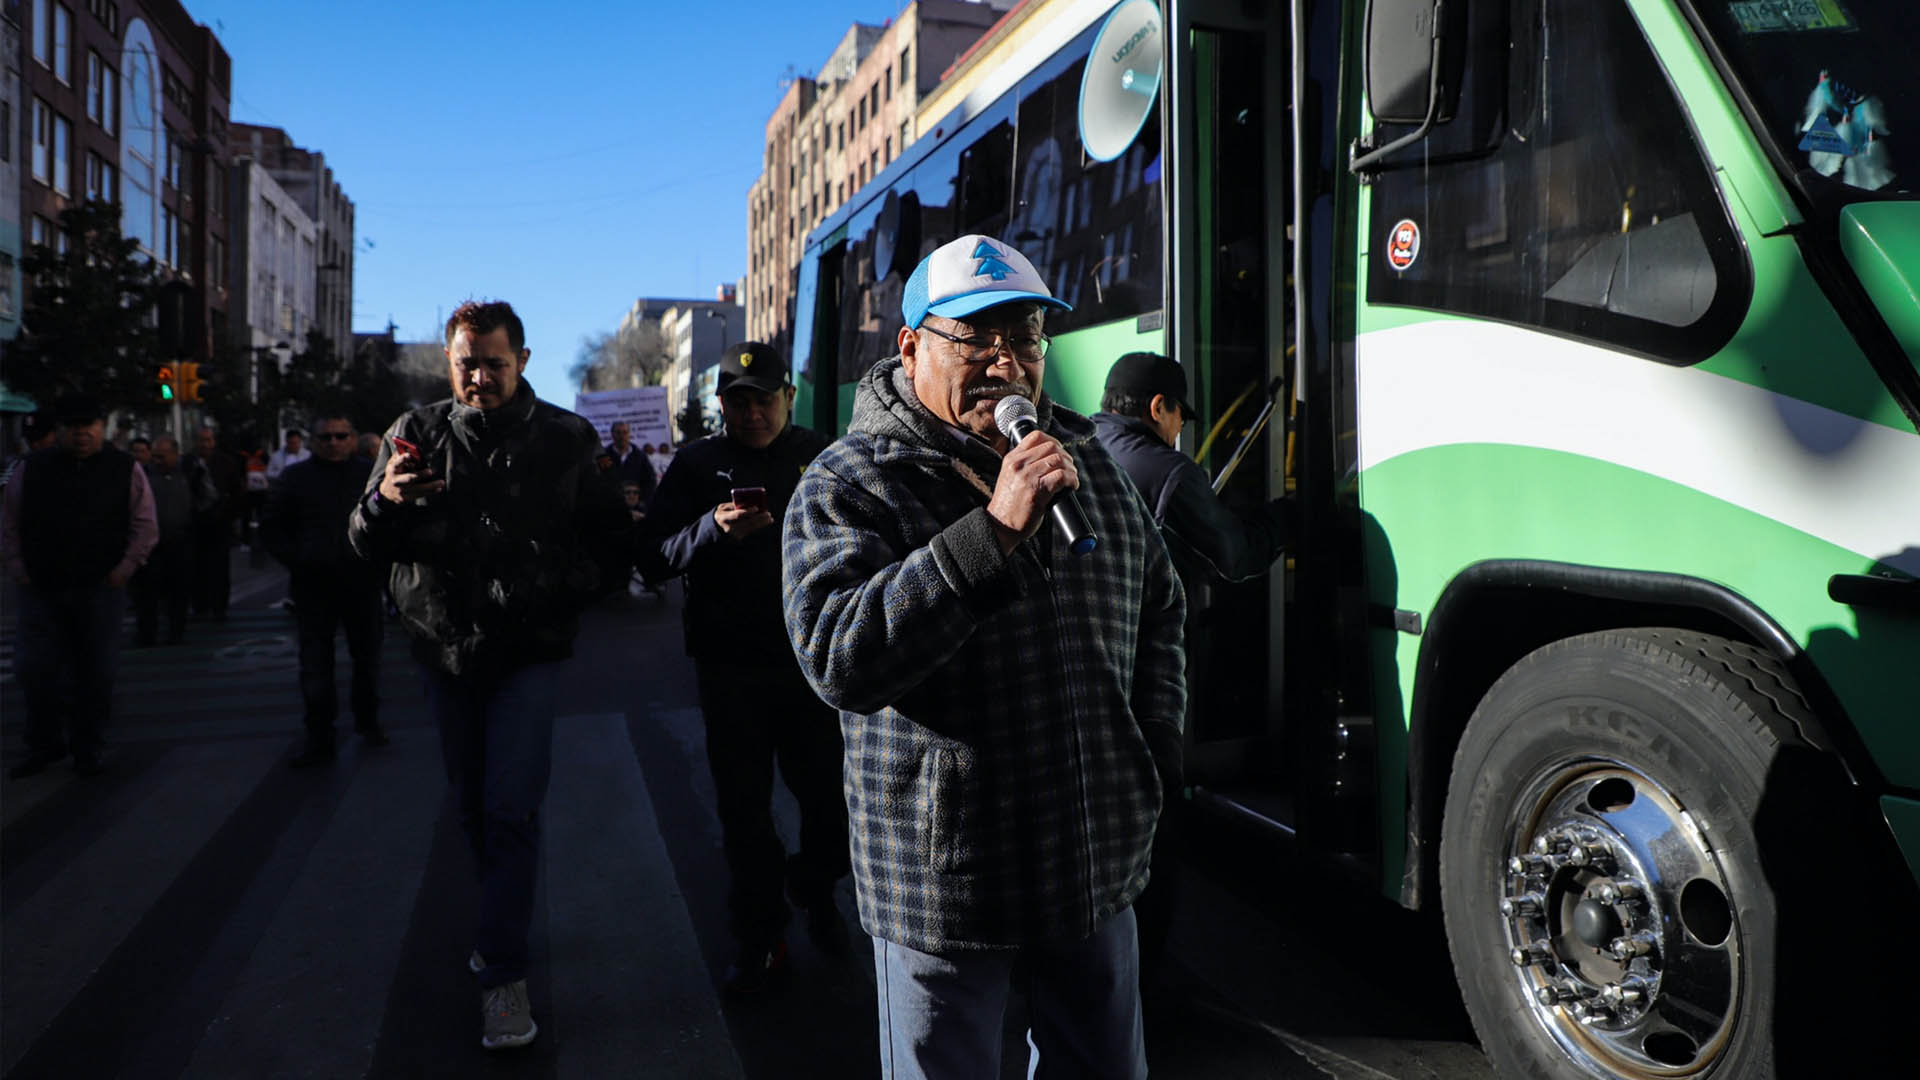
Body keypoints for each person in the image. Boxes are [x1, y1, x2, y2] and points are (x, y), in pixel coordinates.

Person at [781, 234, 1187, 1079]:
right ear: (912, 346)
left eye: (1027, 336)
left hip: (1093, 864)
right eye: (978, 339)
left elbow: (1161, 608)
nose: (1007, 362)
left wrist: (1146, 760)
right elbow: (839, 657)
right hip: (946, 887)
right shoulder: (848, 481)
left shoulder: (1089, 468)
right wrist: (994, 534)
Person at [348, 299, 630, 1051]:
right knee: (473, 805)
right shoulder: (415, 434)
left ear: (524, 361)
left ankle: (503, 974)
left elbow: (612, 546)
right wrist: (385, 500)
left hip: (527, 654)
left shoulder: (567, 438)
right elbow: (361, 539)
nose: (481, 377)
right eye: (467, 363)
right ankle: (497, 922)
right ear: (450, 363)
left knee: (511, 808)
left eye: (494, 362)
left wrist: (553, 587)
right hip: (443, 651)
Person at [636, 340, 849, 995]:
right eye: (738, 401)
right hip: (731, 670)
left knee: (832, 805)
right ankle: (761, 938)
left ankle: (815, 887)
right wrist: (711, 531)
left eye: (764, 399)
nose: (753, 412)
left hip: (816, 664)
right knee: (745, 815)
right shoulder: (698, 464)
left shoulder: (824, 455)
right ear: (721, 405)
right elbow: (651, 558)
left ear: (788, 397)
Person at [1091, 350, 1297, 977]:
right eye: (1180, 415)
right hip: (1145, 676)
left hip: (1091, 667)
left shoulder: (1085, 446)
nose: (1183, 429)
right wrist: (1292, 512)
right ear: (1159, 408)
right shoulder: (1170, 472)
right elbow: (1234, 555)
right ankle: (1146, 982)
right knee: (1155, 825)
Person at [1, 396, 159, 777]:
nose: (82, 433)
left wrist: (124, 569)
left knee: (95, 673)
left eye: (89, 425)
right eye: (74, 425)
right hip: (42, 587)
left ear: (102, 428)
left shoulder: (124, 468)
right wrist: (18, 568)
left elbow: (145, 524)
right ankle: (45, 744)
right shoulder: (31, 468)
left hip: (99, 588)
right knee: (37, 671)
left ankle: (88, 746)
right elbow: (8, 521)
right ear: (60, 431)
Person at [264, 413, 389, 767]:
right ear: (313, 441)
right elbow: (272, 527)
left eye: (340, 436)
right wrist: (298, 558)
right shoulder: (296, 477)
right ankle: (320, 736)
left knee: (367, 658)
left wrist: (378, 561)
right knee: (316, 665)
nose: (333, 442)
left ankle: (369, 722)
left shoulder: (369, 472)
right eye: (326, 437)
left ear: (352, 439)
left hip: (360, 584)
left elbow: (391, 520)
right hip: (313, 586)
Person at [131, 436, 215, 646]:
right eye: (155, 456)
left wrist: (194, 513)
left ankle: (176, 632)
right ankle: (147, 634)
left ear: (175, 454)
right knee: (148, 594)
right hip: (151, 545)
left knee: (179, 592)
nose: (157, 460)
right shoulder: (144, 475)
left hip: (180, 542)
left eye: (162, 456)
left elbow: (209, 496)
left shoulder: (189, 473)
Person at [191, 427, 247, 621]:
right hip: (196, 524)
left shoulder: (225, 463)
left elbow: (237, 492)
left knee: (219, 568)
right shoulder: (189, 463)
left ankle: (219, 607)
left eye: (207, 440)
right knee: (198, 568)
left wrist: (229, 516)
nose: (204, 444)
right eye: (200, 440)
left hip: (220, 522)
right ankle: (201, 604)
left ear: (213, 442)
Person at [602, 421, 657, 503]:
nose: (622, 436)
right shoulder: (604, 456)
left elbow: (650, 481)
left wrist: (642, 502)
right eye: (618, 433)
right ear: (612, 434)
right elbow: (600, 479)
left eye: (625, 432)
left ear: (629, 434)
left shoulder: (640, 456)